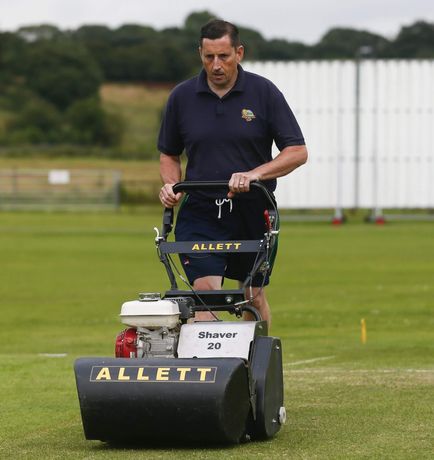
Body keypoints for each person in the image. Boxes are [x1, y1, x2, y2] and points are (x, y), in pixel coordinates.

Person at [158, 19, 307, 326]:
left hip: (252, 209)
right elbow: (169, 153)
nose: (216, 65)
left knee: (252, 295)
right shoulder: (182, 97)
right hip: (199, 210)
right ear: (200, 52)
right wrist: (171, 184)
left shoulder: (264, 93)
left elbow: (297, 152)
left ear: (239, 53)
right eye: (209, 56)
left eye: (223, 56)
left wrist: (255, 174)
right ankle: (212, 369)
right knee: (205, 294)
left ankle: (256, 366)